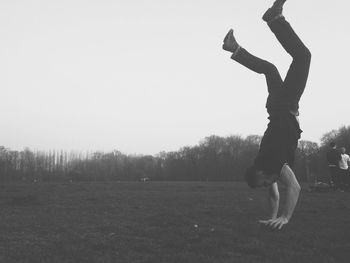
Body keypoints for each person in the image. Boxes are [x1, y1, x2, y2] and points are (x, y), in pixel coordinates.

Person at [223, 0, 311, 230]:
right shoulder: (265, 167)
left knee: (303, 56)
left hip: (284, 105)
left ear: (262, 173)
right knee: (270, 69)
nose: (269, 185)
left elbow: (295, 188)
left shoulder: (273, 164)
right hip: (276, 106)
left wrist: (286, 218)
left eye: (265, 182)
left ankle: (274, 18)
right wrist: (272, 217)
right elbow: (274, 196)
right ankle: (235, 49)